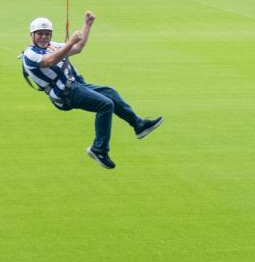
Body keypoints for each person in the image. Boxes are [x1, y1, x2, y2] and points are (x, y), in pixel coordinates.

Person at [20, 13, 162, 170]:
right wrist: (71, 41)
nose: (44, 37)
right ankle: (99, 149)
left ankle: (138, 124)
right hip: (65, 93)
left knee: (110, 93)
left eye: (47, 34)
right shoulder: (30, 54)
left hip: (76, 85)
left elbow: (78, 47)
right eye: (40, 34)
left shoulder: (52, 46)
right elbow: (50, 61)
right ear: (32, 35)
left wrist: (87, 25)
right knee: (105, 105)